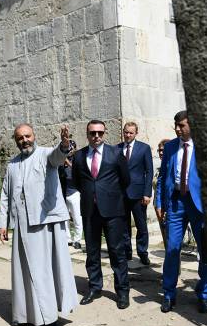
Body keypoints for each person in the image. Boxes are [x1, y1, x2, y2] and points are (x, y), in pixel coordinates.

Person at [0, 124, 78, 326]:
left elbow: (58, 157)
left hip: (45, 223)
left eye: (28, 136)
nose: (24, 140)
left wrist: (64, 145)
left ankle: (50, 319)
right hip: (22, 225)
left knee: (45, 272)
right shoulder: (13, 164)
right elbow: (5, 194)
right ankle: (27, 315)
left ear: (34, 136)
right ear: (16, 141)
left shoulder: (45, 155)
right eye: (20, 138)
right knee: (25, 272)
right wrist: (2, 223)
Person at [155, 110, 207, 314]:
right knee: (171, 249)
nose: (178, 129)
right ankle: (169, 294)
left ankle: (204, 294)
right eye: (176, 126)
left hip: (200, 206)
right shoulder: (170, 147)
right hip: (176, 203)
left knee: (206, 253)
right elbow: (162, 177)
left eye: (182, 126)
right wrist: (159, 202)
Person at [72, 119, 130, 309]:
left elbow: (125, 179)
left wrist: (109, 195)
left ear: (104, 133)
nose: (96, 136)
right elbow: (78, 182)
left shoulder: (115, 153)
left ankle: (122, 292)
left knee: (116, 252)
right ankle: (95, 287)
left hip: (113, 211)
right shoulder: (79, 156)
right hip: (90, 211)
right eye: (92, 133)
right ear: (87, 134)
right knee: (92, 252)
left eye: (100, 133)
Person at [117, 122, 153, 265]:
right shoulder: (117, 148)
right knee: (124, 225)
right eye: (126, 132)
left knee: (141, 225)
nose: (128, 135)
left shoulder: (144, 148)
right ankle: (127, 252)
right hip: (121, 194)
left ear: (136, 133)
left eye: (131, 133)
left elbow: (149, 172)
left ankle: (142, 252)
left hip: (139, 194)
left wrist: (147, 193)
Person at [58, 139, 83, 249]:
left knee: (77, 217)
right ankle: (67, 238)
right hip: (63, 193)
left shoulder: (77, 160)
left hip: (74, 193)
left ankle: (77, 240)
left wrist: (68, 162)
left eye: (71, 149)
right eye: (67, 149)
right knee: (65, 218)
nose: (69, 151)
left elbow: (80, 172)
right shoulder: (60, 162)